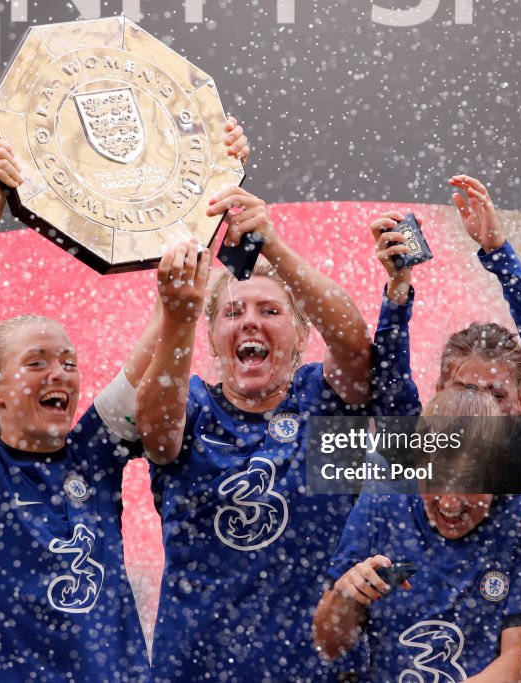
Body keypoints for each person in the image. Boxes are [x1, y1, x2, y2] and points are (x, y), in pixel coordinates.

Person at [0, 115, 251, 680]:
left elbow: (164, 321)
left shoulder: (91, 454)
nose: (61, 374)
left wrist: (213, 188)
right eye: (37, 363)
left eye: (69, 362)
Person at [136, 186, 375, 680]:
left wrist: (273, 247)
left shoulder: (322, 406)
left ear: (302, 334)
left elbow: (354, 345)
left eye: (270, 311)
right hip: (196, 671)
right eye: (234, 312)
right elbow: (156, 434)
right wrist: (179, 316)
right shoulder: (193, 406)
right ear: (211, 337)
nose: (251, 322)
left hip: (317, 670)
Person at [315, 388, 521, 682]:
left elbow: (520, 661)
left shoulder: (520, 518)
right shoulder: (381, 504)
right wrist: (345, 597)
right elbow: (328, 644)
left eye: (467, 483)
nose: (449, 503)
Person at [371, 176, 521, 493]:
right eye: (465, 390)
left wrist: (499, 252)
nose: (480, 411)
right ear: (439, 392)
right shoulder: (415, 454)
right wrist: (398, 285)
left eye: (496, 395)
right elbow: (389, 376)